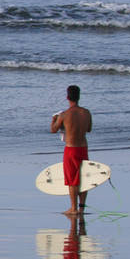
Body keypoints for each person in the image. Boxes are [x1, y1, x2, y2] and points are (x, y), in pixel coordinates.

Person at [50, 84, 92, 214]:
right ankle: (81, 207)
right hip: (83, 148)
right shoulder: (86, 112)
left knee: (72, 180)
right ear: (79, 97)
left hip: (71, 149)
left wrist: (53, 119)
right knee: (83, 177)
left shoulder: (64, 115)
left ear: (68, 97)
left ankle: (73, 208)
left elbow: (53, 130)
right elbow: (89, 129)